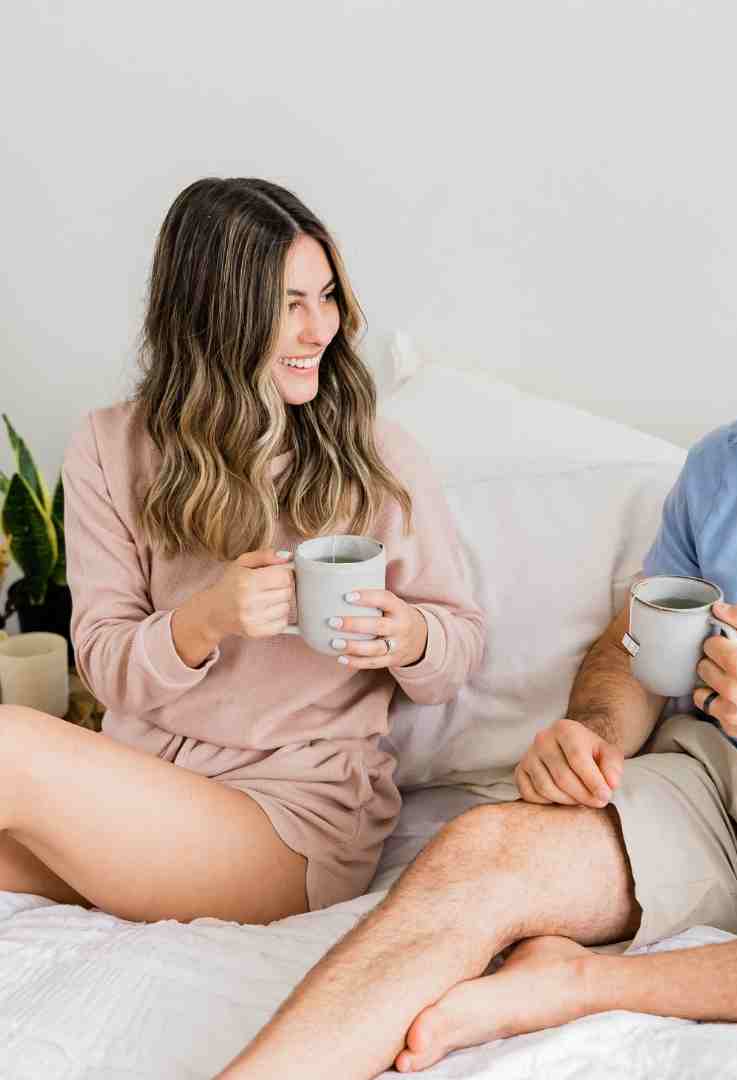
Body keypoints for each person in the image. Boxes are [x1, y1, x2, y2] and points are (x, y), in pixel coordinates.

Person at [219, 199, 737, 1078]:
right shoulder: (730, 467)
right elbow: (632, 643)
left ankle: (593, 984)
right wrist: (592, 736)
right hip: (707, 800)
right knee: (483, 848)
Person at [0, 178, 484, 924]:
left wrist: (408, 635)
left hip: (290, 819)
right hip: (139, 786)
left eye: (326, 297)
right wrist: (206, 619)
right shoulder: (108, 446)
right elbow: (101, 659)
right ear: (215, 313)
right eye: (290, 304)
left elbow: (458, 649)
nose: (319, 328)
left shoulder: (377, 456)